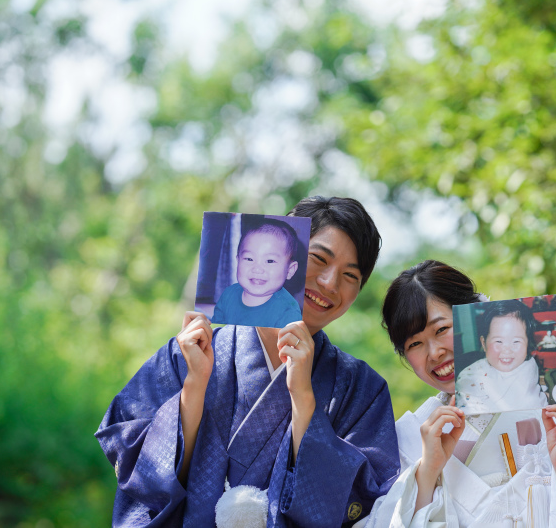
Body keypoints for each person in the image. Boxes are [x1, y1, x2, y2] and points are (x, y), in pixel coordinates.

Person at [96, 196, 400, 527]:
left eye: (350, 276)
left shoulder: (363, 390)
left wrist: (303, 402)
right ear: (287, 259)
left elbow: (365, 500)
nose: (329, 283)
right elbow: (136, 467)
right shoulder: (189, 352)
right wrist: (194, 389)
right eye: (319, 259)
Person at [358, 260, 556, 527]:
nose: (434, 352)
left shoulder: (547, 406)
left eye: (441, 329)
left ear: (475, 318)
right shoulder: (411, 437)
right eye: (414, 344)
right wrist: (427, 472)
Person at [455, 300, 548, 414]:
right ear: (484, 343)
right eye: (499, 341)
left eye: (516, 341)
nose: (507, 349)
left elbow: (533, 396)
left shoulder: (529, 364)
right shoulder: (471, 378)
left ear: (528, 343)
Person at [210, 218, 302, 328]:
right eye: (249, 259)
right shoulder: (228, 294)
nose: (257, 269)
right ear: (237, 261)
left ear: (290, 270)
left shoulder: (289, 312)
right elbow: (216, 330)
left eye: (270, 261)